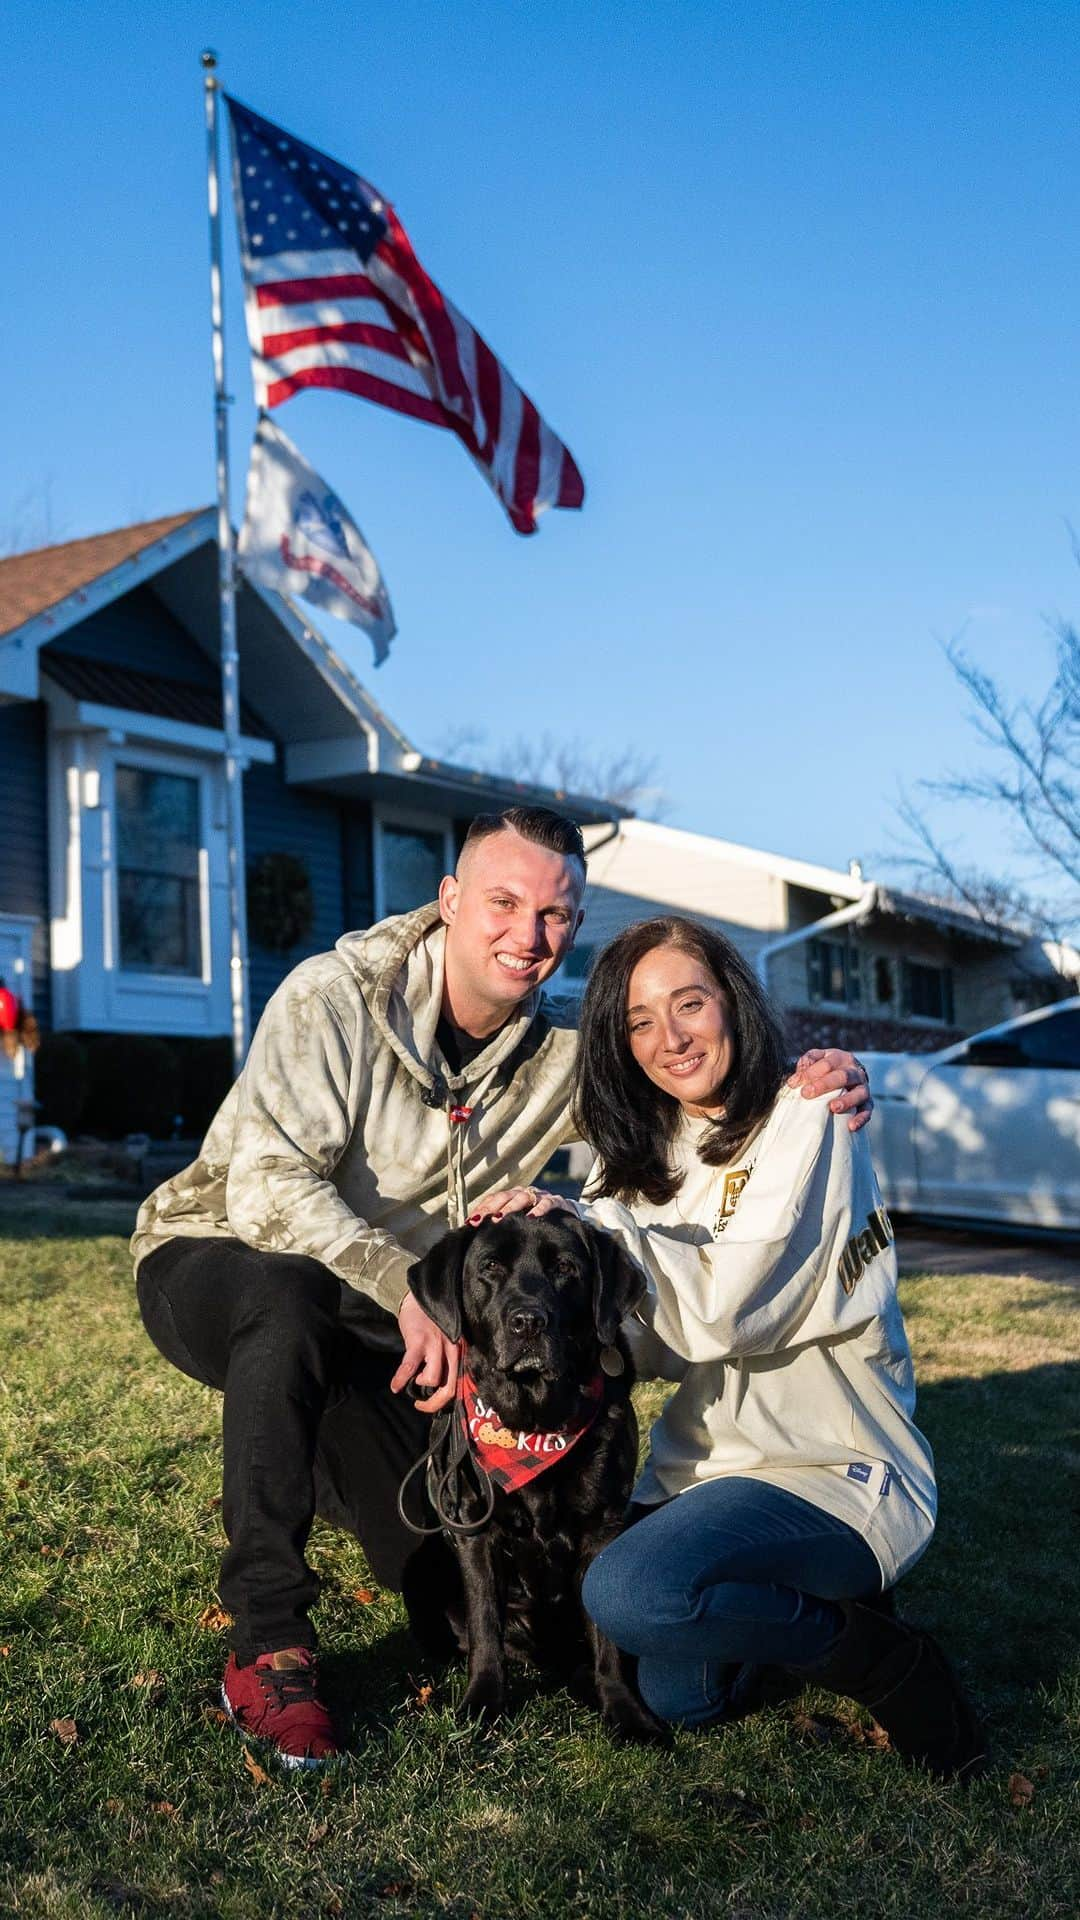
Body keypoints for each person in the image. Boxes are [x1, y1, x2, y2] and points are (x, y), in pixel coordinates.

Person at [131, 812, 872, 1768]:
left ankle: (313, 1424)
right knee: (288, 1301)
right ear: (449, 901)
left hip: (412, 1309)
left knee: (428, 1557)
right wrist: (408, 1287)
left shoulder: (563, 1051)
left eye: (556, 914)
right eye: (504, 903)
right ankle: (268, 1641)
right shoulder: (336, 997)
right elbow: (268, 1189)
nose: (528, 935)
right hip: (224, 1252)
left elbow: (681, 1115)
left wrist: (809, 1088)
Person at [476, 916, 983, 1778]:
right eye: (639, 1021)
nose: (669, 1038)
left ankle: (883, 1658)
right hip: (702, 1473)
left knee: (627, 1592)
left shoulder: (809, 1116)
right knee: (676, 1691)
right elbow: (636, 1341)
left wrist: (593, 1234)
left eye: (689, 1003)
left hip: (827, 1469)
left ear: (734, 1004)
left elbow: (728, 1307)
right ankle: (795, 1602)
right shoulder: (635, 1158)